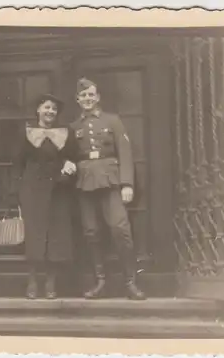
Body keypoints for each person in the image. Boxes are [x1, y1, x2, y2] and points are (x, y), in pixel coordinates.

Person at [70, 78, 146, 301]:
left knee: (120, 229)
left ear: (98, 97)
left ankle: (130, 282)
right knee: (91, 232)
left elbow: (125, 152)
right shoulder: (74, 127)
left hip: (111, 182)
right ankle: (100, 281)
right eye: (83, 96)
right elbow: (70, 156)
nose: (87, 99)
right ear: (77, 100)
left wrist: (127, 184)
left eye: (91, 95)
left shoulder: (113, 121)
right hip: (84, 184)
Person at [12, 93, 79, 300]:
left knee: (56, 237)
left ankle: (51, 283)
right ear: (38, 110)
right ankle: (32, 282)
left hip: (59, 189)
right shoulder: (26, 133)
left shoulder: (66, 133)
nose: (50, 112)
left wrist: (69, 168)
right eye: (46, 108)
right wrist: (17, 193)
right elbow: (17, 164)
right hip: (33, 190)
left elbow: (74, 158)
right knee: (34, 235)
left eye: (54, 109)